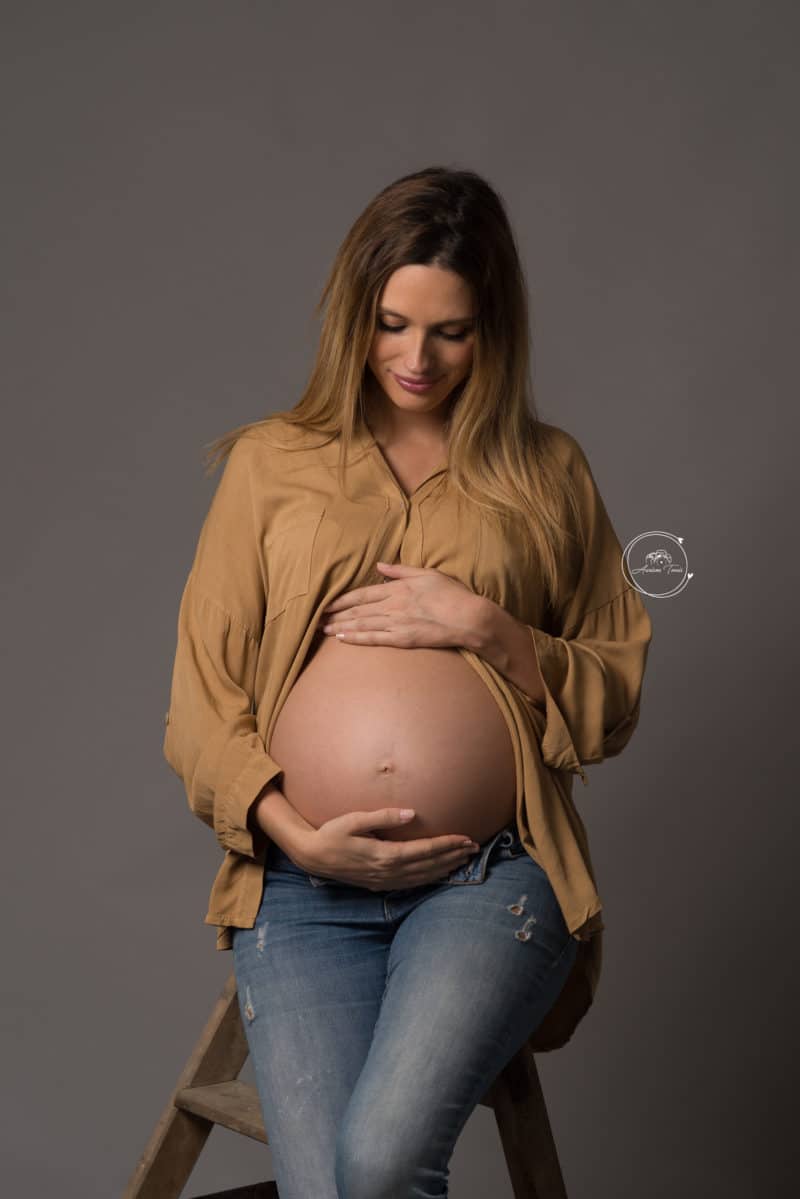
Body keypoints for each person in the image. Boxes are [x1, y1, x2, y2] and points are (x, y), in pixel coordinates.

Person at [162, 165, 653, 1199]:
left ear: (494, 331)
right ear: (356, 314)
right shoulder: (271, 463)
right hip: (302, 890)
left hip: (489, 876)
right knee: (334, 1190)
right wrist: (294, 832)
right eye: (391, 324)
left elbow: (614, 681)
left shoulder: (547, 472)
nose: (415, 359)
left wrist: (490, 626)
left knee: (379, 1163)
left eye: (451, 331)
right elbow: (199, 702)